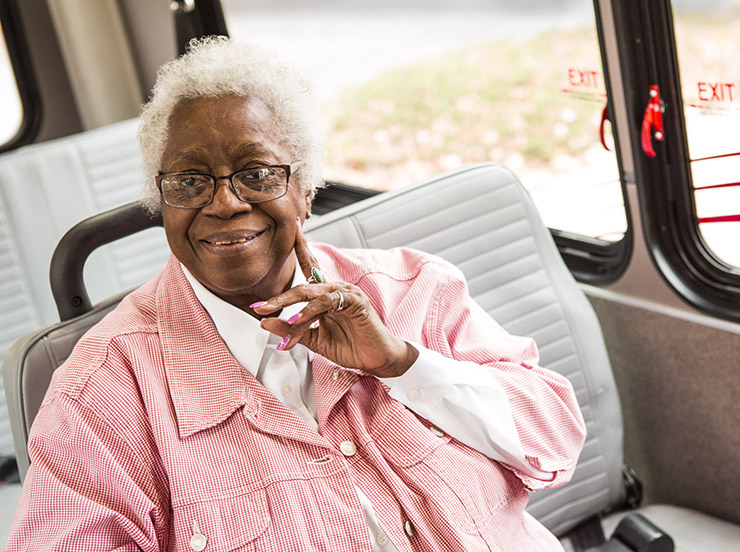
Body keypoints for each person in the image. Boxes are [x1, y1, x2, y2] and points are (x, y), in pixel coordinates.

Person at [5, 37, 586, 551]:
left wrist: (404, 365)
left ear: (306, 192)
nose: (226, 203)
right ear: (162, 204)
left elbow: (554, 433)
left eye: (258, 174)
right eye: (189, 180)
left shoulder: (412, 289)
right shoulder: (101, 396)